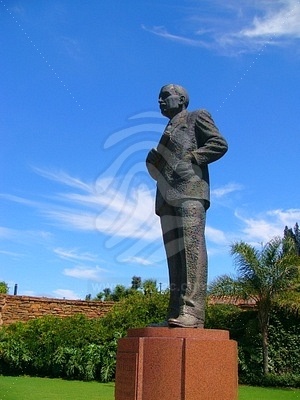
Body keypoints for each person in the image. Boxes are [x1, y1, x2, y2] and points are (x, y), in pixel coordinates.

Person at [146, 84, 228, 328]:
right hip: (166, 198)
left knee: (192, 250)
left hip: (190, 192)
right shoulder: (167, 130)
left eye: (164, 97)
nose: (160, 101)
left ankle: (193, 313)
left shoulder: (196, 117)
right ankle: (175, 312)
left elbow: (219, 143)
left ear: (180, 99)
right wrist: (154, 163)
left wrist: (192, 157)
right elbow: (163, 170)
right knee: (175, 255)